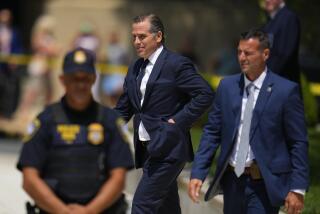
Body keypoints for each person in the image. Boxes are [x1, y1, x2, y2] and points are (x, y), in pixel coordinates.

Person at [188, 29, 309, 214]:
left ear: (265, 54)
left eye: (248, 53)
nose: (242, 57)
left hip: (264, 185)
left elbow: (298, 142)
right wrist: (198, 172)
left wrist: (297, 188)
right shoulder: (227, 87)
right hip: (232, 182)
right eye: (239, 52)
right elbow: (212, 132)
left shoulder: (285, 91)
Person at [115, 13, 214, 214]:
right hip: (148, 149)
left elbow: (205, 93)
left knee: (141, 206)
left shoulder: (176, 64)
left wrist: (177, 121)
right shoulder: (135, 67)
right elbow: (125, 108)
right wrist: (102, 126)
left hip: (169, 148)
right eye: (134, 37)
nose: (136, 42)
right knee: (167, 209)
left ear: (158, 36)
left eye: (142, 36)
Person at [17, 47, 134, 214]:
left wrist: (89, 211)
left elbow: (118, 177)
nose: (80, 85)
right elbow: (29, 178)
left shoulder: (110, 121)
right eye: (74, 79)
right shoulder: (45, 121)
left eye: (85, 79)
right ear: (63, 80)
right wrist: (63, 211)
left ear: (93, 79)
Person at [262, 0, 301, 84]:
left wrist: (266, 77)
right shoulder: (271, 21)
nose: (267, 0)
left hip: (282, 83)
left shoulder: (289, 18)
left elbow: (284, 54)